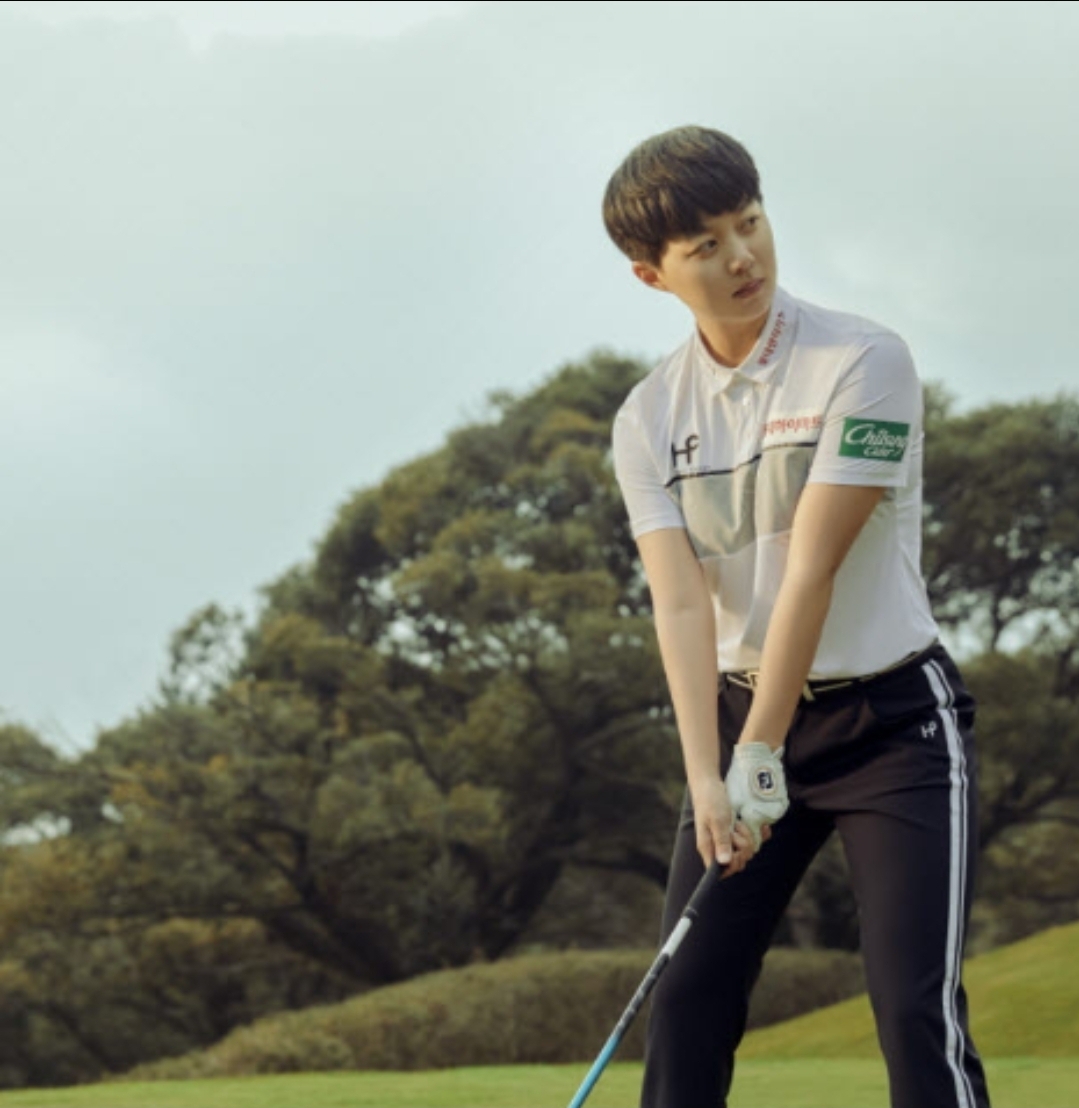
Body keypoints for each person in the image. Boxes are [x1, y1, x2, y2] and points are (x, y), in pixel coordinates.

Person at [602, 125, 991, 1108]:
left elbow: (812, 569)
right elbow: (679, 600)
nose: (742, 257)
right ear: (652, 274)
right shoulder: (647, 418)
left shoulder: (863, 360)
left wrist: (759, 749)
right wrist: (707, 775)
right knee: (686, 998)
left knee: (910, 1008)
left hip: (890, 725)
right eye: (705, 246)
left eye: (749, 222)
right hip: (741, 718)